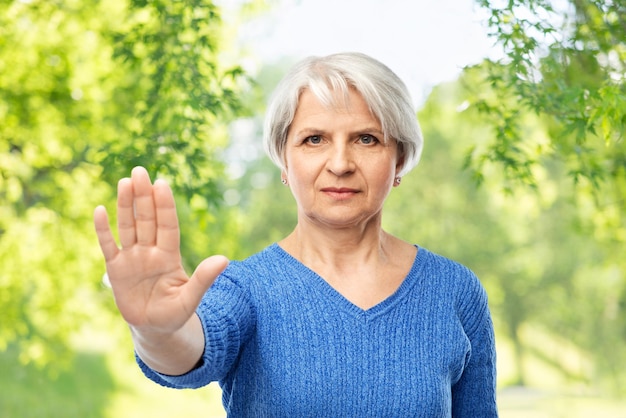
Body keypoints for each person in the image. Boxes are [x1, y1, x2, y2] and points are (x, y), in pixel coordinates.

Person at [94, 52, 498, 417]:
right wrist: (156, 331)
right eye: (314, 139)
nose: (340, 163)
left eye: (366, 139)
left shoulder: (455, 291)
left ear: (400, 161)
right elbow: (188, 350)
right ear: (283, 161)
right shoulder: (245, 289)